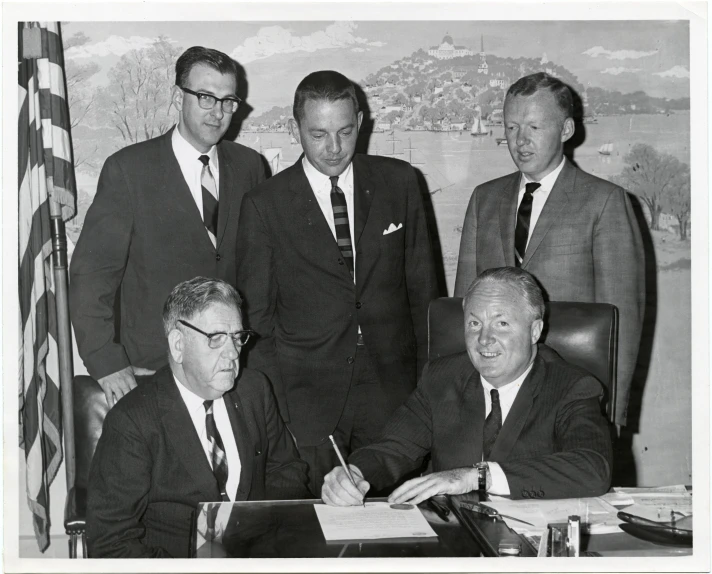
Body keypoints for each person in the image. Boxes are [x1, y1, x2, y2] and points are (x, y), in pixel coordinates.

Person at [235, 70, 437, 495]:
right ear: (295, 130)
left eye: (345, 131)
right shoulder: (263, 204)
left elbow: (424, 295)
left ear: (360, 122)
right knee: (312, 528)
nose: (333, 148)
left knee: (393, 532)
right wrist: (277, 413)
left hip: (392, 394)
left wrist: (426, 389)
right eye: (318, 134)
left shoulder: (400, 182)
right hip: (307, 402)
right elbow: (258, 321)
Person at [69, 46, 267, 408]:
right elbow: (91, 278)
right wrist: (107, 363)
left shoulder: (250, 166)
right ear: (180, 96)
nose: (218, 112)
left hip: (232, 372)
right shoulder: (129, 170)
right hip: (152, 374)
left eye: (228, 101)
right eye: (206, 97)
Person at [322, 267, 613, 506]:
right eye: (474, 324)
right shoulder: (442, 377)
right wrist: (354, 473)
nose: (484, 339)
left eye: (501, 324)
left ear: (534, 330)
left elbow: (592, 468)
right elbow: (393, 448)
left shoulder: (571, 386)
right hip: (455, 540)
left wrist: (477, 476)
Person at [454, 72, 645, 427]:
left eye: (534, 128)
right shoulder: (484, 199)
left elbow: (623, 323)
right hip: (493, 397)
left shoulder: (604, 202)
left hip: (573, 397)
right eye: (511, 128)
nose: (520, 141)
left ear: (567, 130)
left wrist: (611, 416)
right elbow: (463, 307)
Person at [86, 277, 310, 558]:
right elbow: (110, 543)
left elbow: (286, 469)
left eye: (238, 337)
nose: (232, 353)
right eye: (216, 338)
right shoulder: (132, 422)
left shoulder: (255, 390)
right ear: (178, 345)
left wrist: (265, 538)